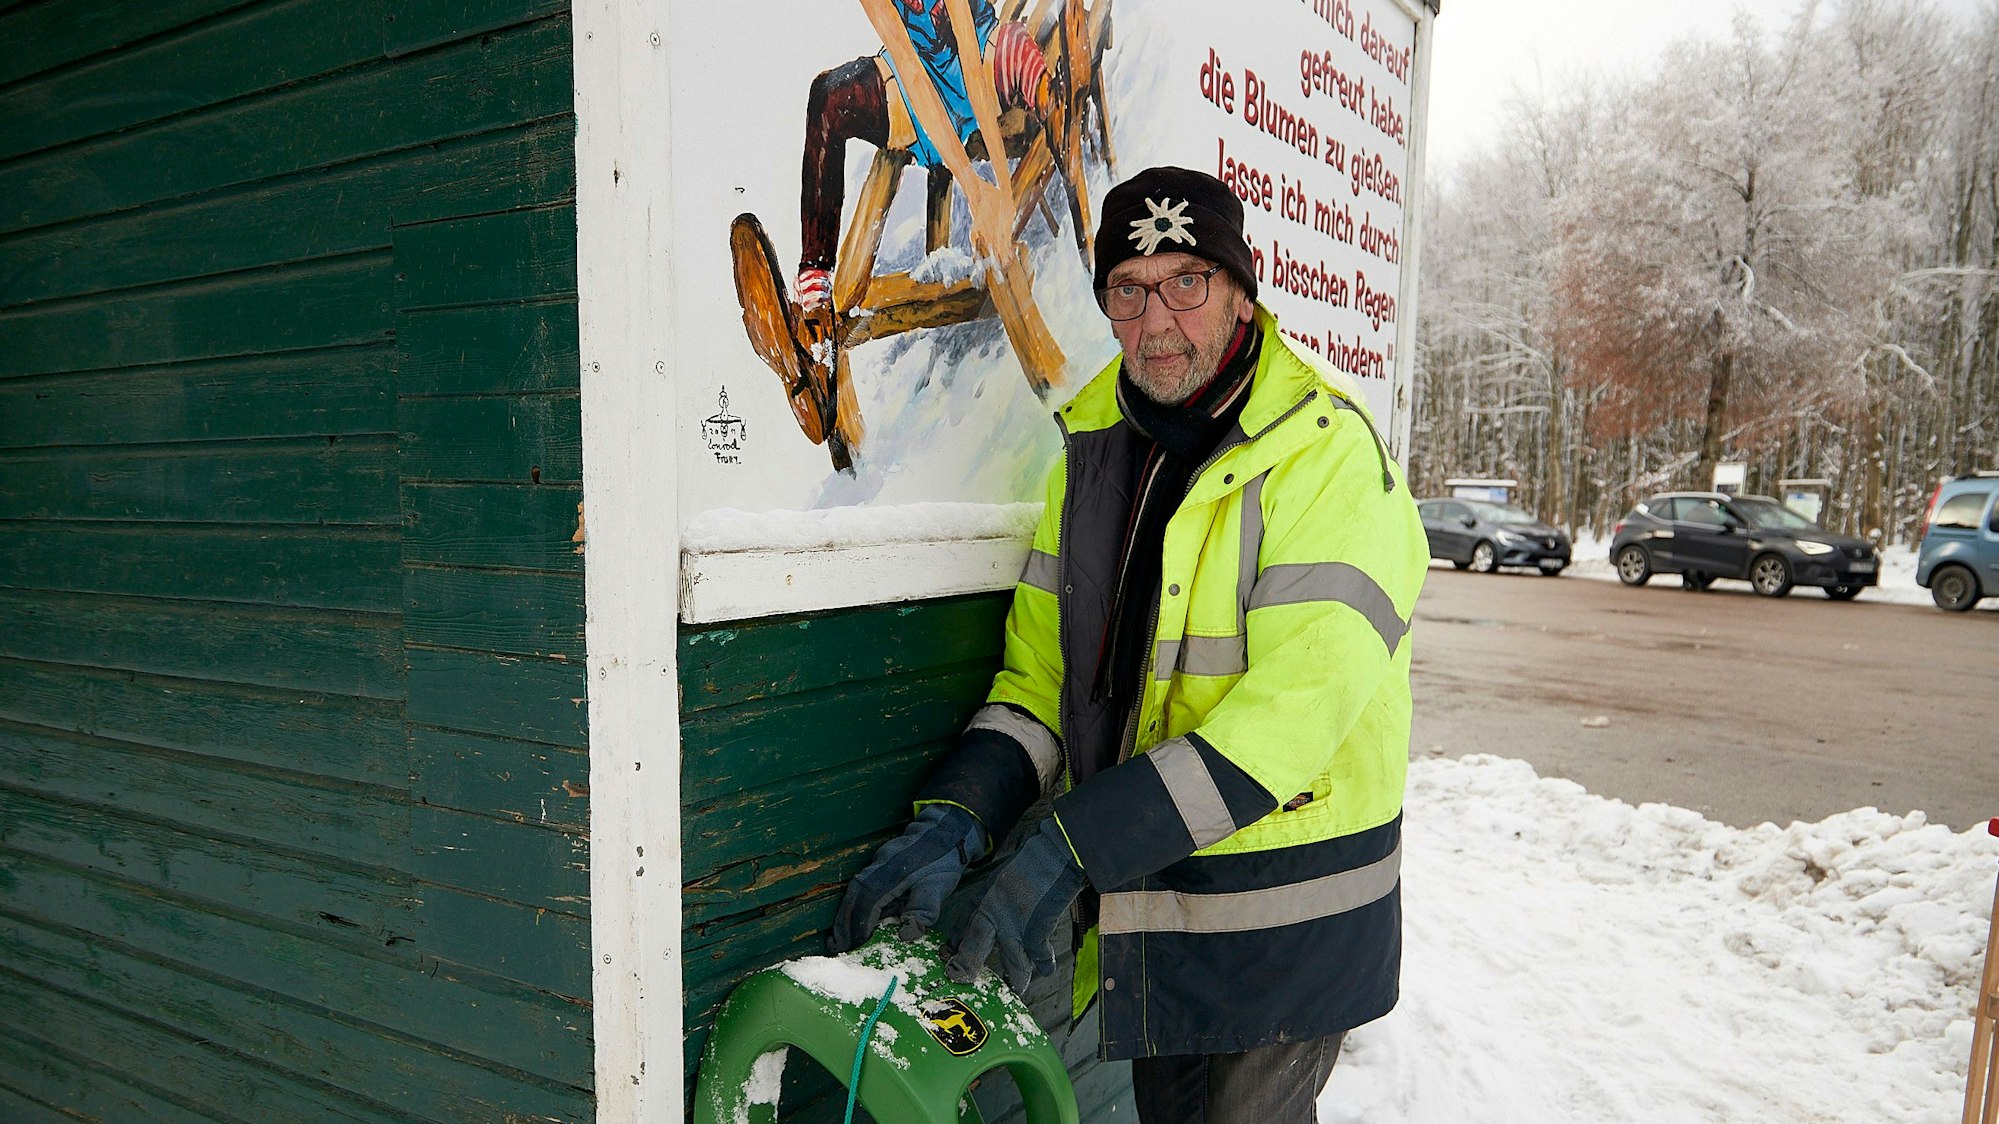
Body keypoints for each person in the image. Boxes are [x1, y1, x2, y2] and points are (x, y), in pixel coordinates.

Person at [827, 166, 1427, 1123]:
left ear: (1239, 291)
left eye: (1187, 281)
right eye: (1128, 290)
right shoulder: (1094, 449)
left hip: (1283, 911)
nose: (1157, 321)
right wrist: (955, 816)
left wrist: (1073, 845)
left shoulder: (1330, 459)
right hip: (1152, 897)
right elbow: (1039, 682)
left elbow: (1289, 722)